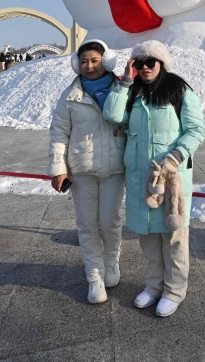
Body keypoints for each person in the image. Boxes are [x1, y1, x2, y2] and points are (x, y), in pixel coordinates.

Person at [103, 40, 204, 318]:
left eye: (151, 62)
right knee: (148, 238)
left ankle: (174, 291)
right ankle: (154, 286)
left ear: (162, 64)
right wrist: (124, 81)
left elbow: (196, 129)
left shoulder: (179, 90)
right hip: (139, 177)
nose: (145, 68)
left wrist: (176, 156)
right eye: (139, 63)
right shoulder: (133, 92)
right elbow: (112, 115)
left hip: (171, 177)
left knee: (173, 238)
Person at [49, 40, 126, 304]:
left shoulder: (123, 90)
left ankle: (111, 264)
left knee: (110, 222)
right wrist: (58, 168)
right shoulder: (70, 95)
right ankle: (94, 277)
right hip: (81, 169)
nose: (89, 66)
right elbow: (59, 133)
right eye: (83, 61)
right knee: (87, 225)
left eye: (94, 60)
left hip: (115, 168)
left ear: (106, 61)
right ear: (76, 64)